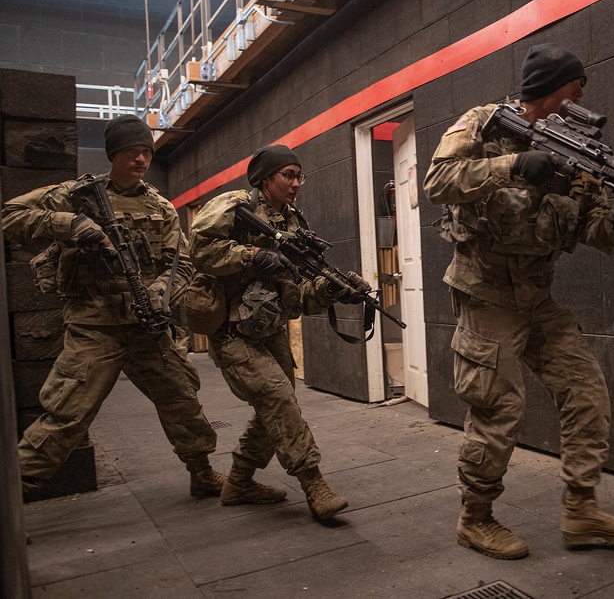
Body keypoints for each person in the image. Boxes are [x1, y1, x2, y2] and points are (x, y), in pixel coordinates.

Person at [423, 43, 614, 560]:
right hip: (486, 296)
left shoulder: (578, 149)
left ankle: (581, 510)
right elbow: (437, 181)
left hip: (537, 298)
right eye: (576, 83)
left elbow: (593, 232)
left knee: (587, 391)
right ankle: (475, 518)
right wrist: (514, 164)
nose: (583, 92)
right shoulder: (485, 124)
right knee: (499, 406)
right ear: (550, 87)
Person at [3, 114, 224, 499]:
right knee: (67, 414)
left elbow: (181, 263)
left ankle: (202, 473)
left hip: (146, 325)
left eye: (145, 152)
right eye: (130, 151)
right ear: (113, 154)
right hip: (95, 326)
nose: (140, 159)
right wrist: (71, 225)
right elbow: (10, 215)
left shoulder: (161, 207)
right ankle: (11, 498)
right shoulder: (76, 194)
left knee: (182, 401)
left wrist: (159, 293)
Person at [189, 144, 364, 524]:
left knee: (276, 406)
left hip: (268, 329)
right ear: (265, 179)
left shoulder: (292, 223)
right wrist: (251, 256)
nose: (297, 183)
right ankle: (314, 484)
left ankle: (238, 482)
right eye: (288, 175)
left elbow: (296, 294)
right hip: (231, 332)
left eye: (300, 175)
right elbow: (199, 248)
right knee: (278, 398)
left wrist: (330, 290)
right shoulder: (236, 205)